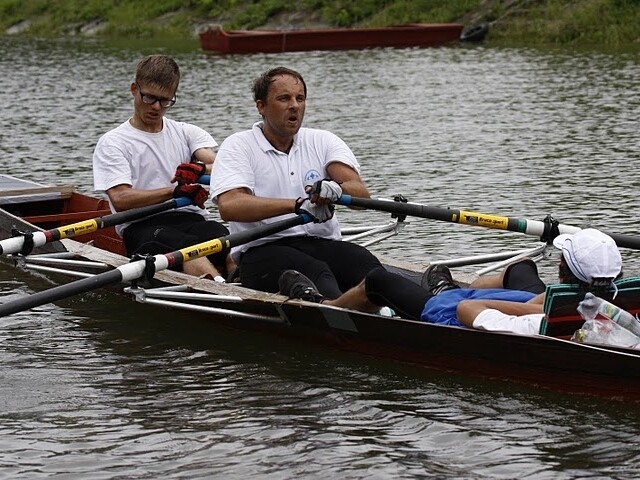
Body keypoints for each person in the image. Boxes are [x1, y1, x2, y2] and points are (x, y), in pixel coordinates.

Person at [210, 66, 382, 296]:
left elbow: (361, 196)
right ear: (261, 106)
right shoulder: (238, 145)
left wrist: (336, 189)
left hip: (320, 244)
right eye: (284, 98)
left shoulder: (322, 140)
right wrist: (297, 205)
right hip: (263, 251)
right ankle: (348, 314)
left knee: (369, 269)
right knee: (318, 273)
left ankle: (431, 312)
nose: (294, 105)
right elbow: (230, 206)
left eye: (300, 98)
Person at [279, 228, 623, 336]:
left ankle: (323, 304)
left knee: (378, 279)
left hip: (456, 313)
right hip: (551, 306)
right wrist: (543, 299)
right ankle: (443, 285)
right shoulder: (623, 305)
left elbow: (466, 308)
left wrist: (536, 304)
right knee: (522, 267)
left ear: (563, 274)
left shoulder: (538, 318)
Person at [93, 54, 232, 281]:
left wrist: (200, 170)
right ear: (134, 89)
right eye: (149, 98)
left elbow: (220, 166)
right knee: (186, 250)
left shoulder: (187, 133)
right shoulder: (113, 142)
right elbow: (120, 198)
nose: (157, 107)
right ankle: (224, 291)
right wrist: (174, 191)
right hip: (143, 226)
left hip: (191, 219)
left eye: (165, 100)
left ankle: (241, 280)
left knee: (228, 240)